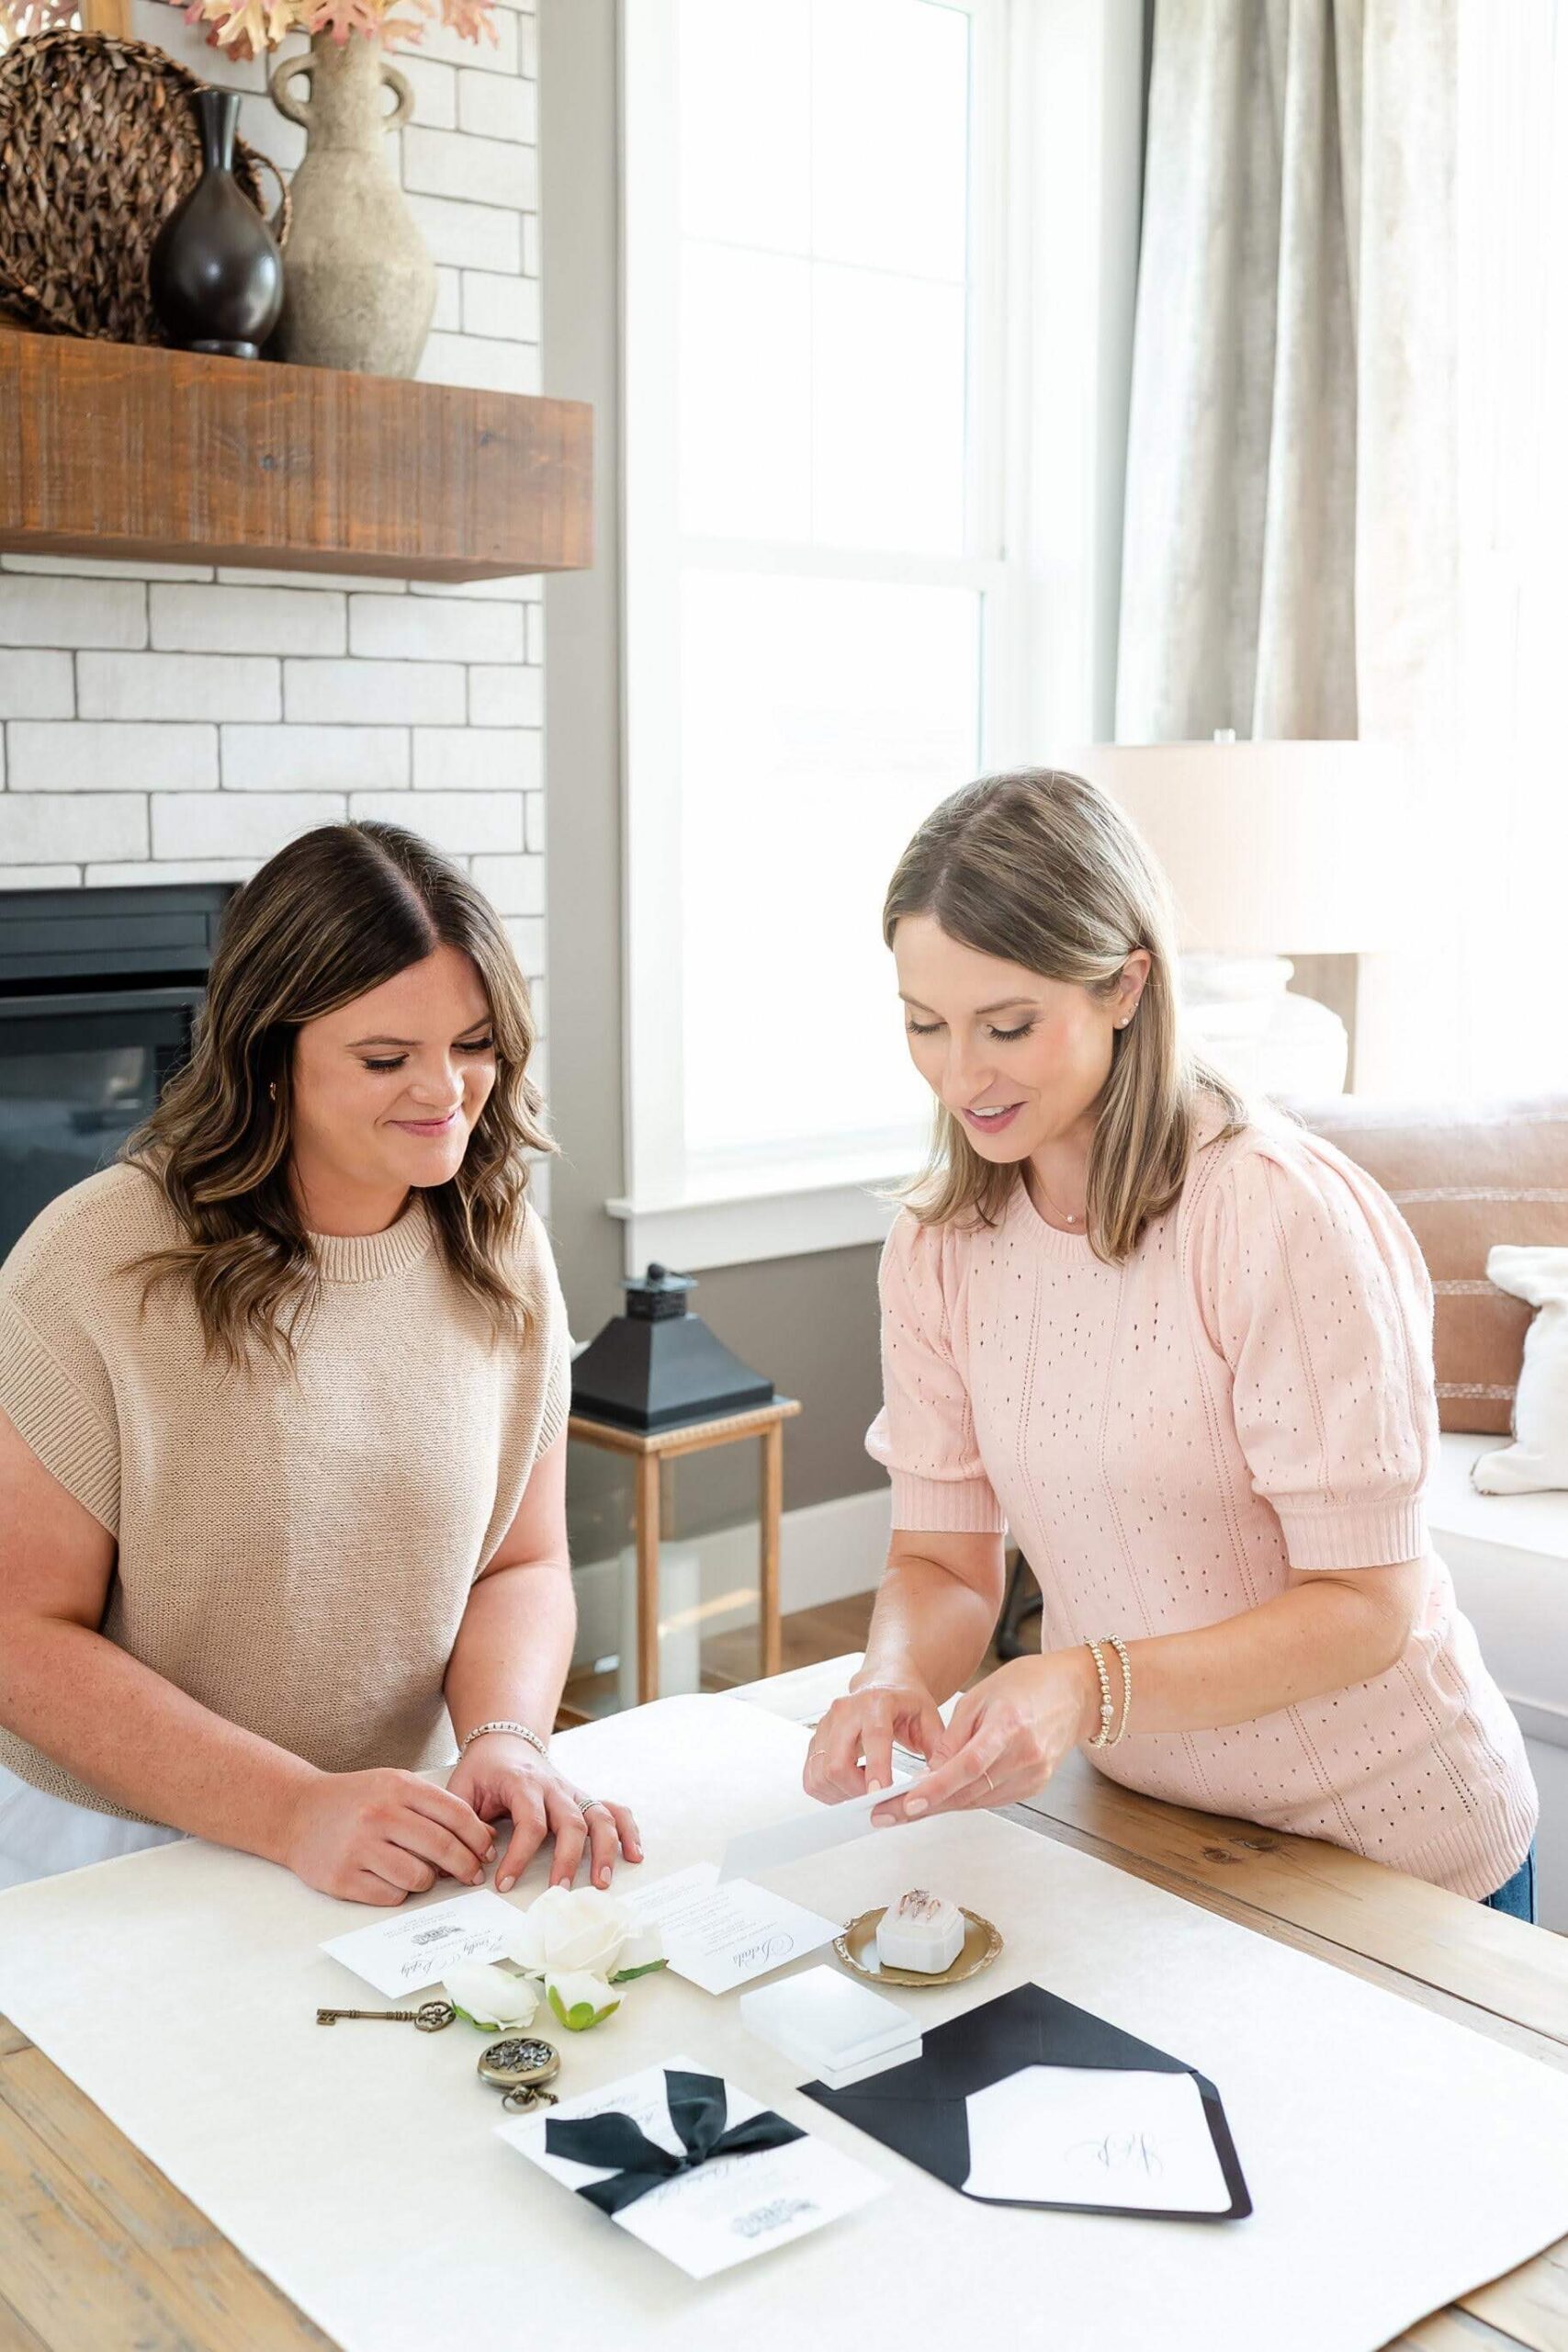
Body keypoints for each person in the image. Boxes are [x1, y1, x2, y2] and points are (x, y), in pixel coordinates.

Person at [805, 770, 1539, 1919]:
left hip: (1393, 1846)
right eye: (923, 1025)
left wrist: (1084, 1687)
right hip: (1153, 1828)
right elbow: (944, 1563)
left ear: (1126, 985)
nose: (961, 1075)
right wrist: (893, 1671)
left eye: (1008, 1025)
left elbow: (1367, 1603)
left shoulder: (1273, 1211)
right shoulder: (941, 1242)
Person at [0, 820, 639, 1904]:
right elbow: (20, 1635)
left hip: (395, 1819)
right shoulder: (95, 1260)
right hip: (124, 1841)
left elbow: (519, 1564)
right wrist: (289, 1807)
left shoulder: (500, 1245)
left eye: (475, 1043)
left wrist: (505, 1738)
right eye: (386, 1057)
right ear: (269, 1058)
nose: (446, 1091)